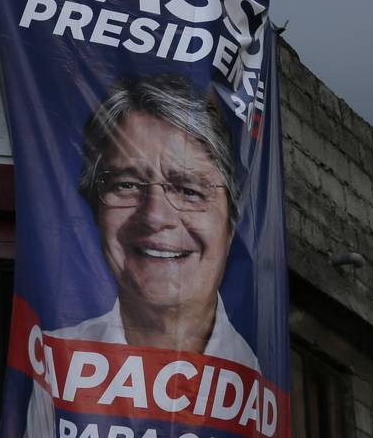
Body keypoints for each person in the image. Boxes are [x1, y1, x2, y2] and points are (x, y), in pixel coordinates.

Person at [25, 74, 257, 436]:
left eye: (188, 190)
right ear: (95, 210)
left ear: (231, 223)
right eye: (127, 185)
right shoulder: (52, 368)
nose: (155, 216)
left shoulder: (259, 382)